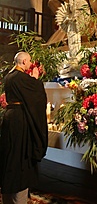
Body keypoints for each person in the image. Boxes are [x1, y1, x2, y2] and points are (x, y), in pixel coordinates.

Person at [0, 52, 48, 204]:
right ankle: (18, 192)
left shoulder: (9, 76)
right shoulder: (21, 78)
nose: (30, 64)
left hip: (9, 117)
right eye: (29, 61)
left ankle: (7, 191)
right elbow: (36, 94)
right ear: (24, 61)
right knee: (20, 154)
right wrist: (35, 79)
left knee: (9, 153)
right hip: (19, 120)